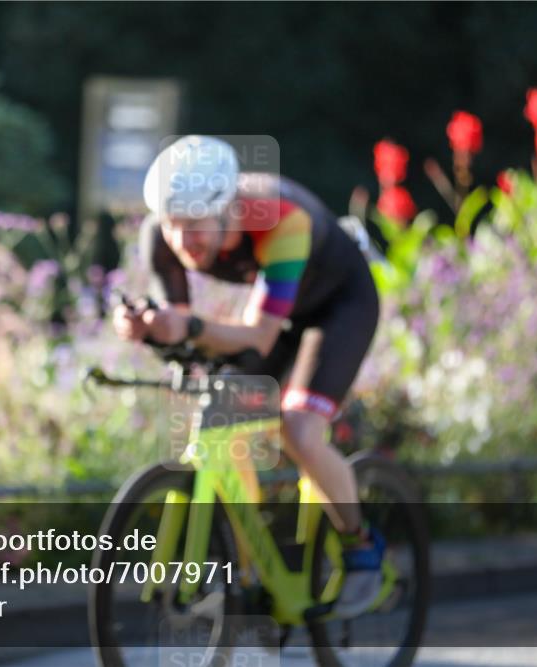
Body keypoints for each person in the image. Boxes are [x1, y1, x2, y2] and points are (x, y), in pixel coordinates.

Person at [112, 135, 385, 615]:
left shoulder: (282, 221)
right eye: (172, 226)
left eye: (195, 226)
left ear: (229, 211)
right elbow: (182, 333)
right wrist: (148, 329)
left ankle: (360, 545)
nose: (182, 241)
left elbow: (258, 336)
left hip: (339, 307)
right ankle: (248, 570)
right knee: (223, 421)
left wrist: (190, 326)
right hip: (282, 313)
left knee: (300, 429)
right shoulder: (164, 235)